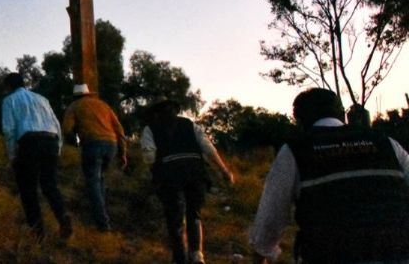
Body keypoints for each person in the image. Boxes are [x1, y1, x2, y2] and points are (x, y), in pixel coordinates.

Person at [250, 88, 409, 263]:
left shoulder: (295, 150)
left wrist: (261, 252)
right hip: (397, 251)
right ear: (342, 113)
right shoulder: (386, 143)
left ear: (300, 120)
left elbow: (272, 213)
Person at [141, 96, 234, 264]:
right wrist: (224, 170)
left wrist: (156, 171)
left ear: (156, 112)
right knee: (194, 214)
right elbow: (208, 148)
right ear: (175, 110)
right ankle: (197, 255)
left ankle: (179, 258)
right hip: (195, 172)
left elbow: (149, 156)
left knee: (175, 218)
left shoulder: (150, 129)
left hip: (169, 175)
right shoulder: (190, 125)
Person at [1, 72, 73, 240]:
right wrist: (57, 149)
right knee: (50, 185)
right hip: (51, 141)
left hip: (29, 142)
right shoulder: (42, 99)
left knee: (28, 189)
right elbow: (56, 124)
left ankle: (38, 233)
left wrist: (12, 155)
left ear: (9, 86)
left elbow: (9, 130)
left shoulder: (9, 100)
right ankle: (63, 216)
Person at [61, 83, 128, 231]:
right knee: (101, 180)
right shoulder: (103, 105)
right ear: (88, 93)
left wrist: (74, 142)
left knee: (93, 183)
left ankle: (102, 223)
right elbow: (119, 128)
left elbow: (66, 129)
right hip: (111, 144)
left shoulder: (74, 106)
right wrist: (123, 153)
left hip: (92, 144)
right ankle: (102, 215)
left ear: (75, 96)